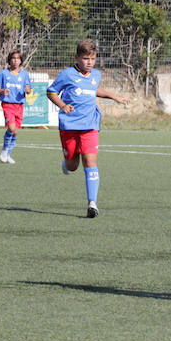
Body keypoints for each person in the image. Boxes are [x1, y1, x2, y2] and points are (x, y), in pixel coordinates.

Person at [47, 39, 129, 218]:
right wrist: (62, 105)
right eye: (85, 59)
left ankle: (92, 203)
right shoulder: (67, 75)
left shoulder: (96, 75)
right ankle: (67, 160)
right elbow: (51, 91)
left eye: (92, 58)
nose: (89, 62)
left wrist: (113, 96)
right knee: (72, 165)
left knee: (90, 162)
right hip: (69, 125)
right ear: (77, 58)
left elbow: (93, 90)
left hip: (90, 125)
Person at [0, 49, 32, 164]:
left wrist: (28, 90)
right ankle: (4, 150)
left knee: (15, 132)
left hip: (19, 106)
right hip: (8, 104)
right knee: (11, 128)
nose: (15, 61)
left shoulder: (25, 74)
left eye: (18, 59)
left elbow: (28, 88)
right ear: (10, 60)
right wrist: (1, 90)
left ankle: (8, 155)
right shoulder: (3, 73)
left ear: (21, 61)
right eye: (13, 58)